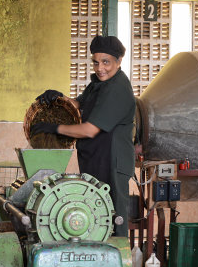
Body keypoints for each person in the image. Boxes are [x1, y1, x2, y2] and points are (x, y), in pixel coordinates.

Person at [30, 35, 135, 237]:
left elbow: (89, 130)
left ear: (119, 61)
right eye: (96, 62)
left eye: (106, 62)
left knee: (113, 217)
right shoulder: (98, 84)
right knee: (96, 213)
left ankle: (119, 261)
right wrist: (58, 98)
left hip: (112, 163)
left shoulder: (117, 89)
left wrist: (55, 128)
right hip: (96, 159)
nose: (100, 68)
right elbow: (77, 105)